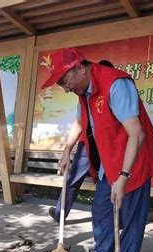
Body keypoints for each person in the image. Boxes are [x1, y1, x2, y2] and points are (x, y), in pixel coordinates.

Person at [42, 47, 153, 252]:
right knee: (101, 212)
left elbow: (137, 134)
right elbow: (80, 122)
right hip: (108, 164)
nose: (66, 88)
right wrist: (67, 150)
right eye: (61, 85)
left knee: (131, 220)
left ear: (79, 67)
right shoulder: (84, 92)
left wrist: (123, 176)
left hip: (133, 163)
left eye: (65, 81)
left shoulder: (116, 84)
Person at [49, 60, 115, 223]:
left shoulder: (114, 89)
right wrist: (66, 152)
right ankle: (60, 212)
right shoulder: (85, 96)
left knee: (112, 183)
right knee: (73, 178)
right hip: (88, 144)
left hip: (111, 146)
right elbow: (79, 123)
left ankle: (117, 219)